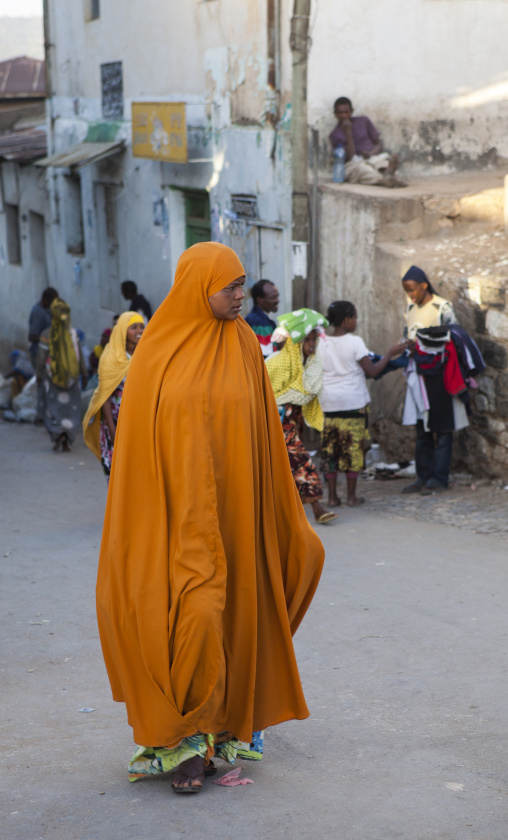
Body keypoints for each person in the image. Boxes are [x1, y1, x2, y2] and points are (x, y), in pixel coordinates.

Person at [97, 242, 324, 794]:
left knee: (234, 615)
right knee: (192, 615)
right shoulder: (157, 351)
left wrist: (277, 506)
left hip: (233, 517)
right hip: (173, 520)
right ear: (200, 286)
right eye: (231, 286)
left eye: (243, 283)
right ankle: (183, 742)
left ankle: (218, 733)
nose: (241, 295)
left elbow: (262, 433)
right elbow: (136, 448)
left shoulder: (245, 345)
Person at [318, 301, 406, 507]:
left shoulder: (321, 342)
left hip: (328, 404)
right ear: (347, 320)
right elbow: (372, 371)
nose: (356, 321)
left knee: (330, 451)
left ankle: (331, 497)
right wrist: (390, 353)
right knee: (352, 450)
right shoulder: (354, 342)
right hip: (352, 403)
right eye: (355, 317)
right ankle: (351, 497)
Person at [266, 308, 337, 525]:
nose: (312, 344)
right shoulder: (276, 362)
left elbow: (310, 389)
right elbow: (264, 392)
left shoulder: (312, 362)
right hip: (276, 421)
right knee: (300, 460)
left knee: (282, 464)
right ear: (297, 341)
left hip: (293, 421)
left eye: (315, 339)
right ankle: (317, 507)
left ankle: (280, 512)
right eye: (308, 340)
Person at [400, 265, 463, 495]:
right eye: (407, 291)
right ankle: (422, 475)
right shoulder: (410, 308)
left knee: (442, 428)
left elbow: (454, 337)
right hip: (418, 375)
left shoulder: (442, 307)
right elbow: (406, 333)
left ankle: (439, 478)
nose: (411, 295)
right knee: (421, 429)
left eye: (413, 290)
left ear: (424, 285)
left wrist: (427, 346)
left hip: (439, 374)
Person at [83, 313, 145, 480]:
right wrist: (112, 428)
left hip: (141, 422)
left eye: (141, 327)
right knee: (117, 470)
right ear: (123, 331)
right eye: (134, 327)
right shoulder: (111, 357)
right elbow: (105, 396)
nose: (139, 331)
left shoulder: (146, 353)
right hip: (117, 421)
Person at [36, 298, 88, 452]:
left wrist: (39, 374)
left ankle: (57, 432)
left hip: (51, 379)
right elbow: (80, 356)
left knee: (51, 408)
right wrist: (84, 375)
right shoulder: (73, 334)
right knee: (70, 410)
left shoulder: (47, 334)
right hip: (72, 379)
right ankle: (67, 438)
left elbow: (41, 357)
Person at [329, 97, 405, 188]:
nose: (344, 116)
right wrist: (347, 132)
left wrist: (370, 153)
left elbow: (379, 144)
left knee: (384, 163)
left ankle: (388, 173)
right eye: (340, 113)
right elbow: (350, 156)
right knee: (362, 170)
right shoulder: (334, 135)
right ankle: (384, 180)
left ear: (351, 111)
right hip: (353, 163)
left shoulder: (363, 121)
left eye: (346, 112)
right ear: (335, 114)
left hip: (372, 157)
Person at [245, 279, 280, 357]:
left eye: (277, 296)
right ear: (260, 300)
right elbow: (266, 358)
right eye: (273, 297)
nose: (278, 300)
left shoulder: (253, 318)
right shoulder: (261, 323)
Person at [28, 287, 59, 364]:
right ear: (45, 300)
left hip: (48, 354)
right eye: (53, 302)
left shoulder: (47, 309)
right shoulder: (38, 313)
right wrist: (48, 339)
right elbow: (31, 337)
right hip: (39, 355)